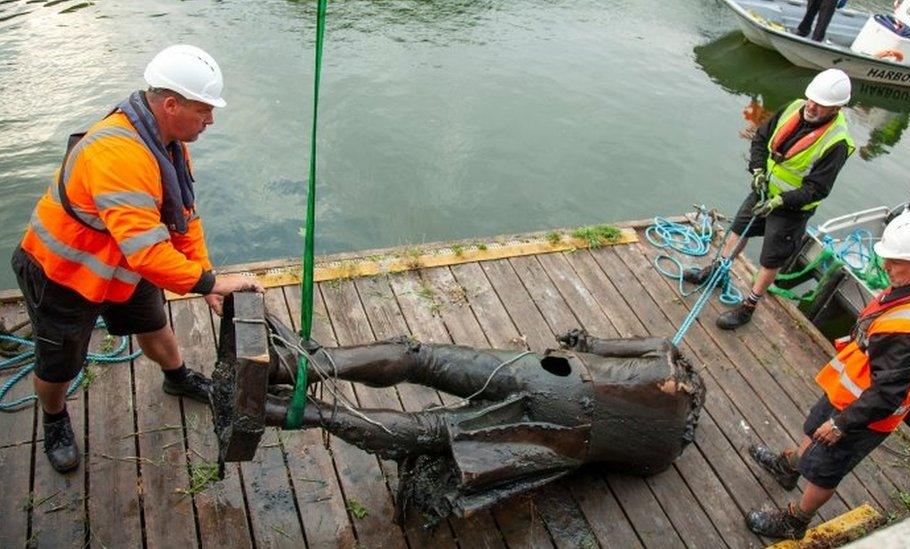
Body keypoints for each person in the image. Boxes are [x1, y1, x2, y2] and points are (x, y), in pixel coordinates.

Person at [11, 44, 262, 474]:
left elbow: (185, 218)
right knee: (60, 363)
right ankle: (54, 419)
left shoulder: (167, 145)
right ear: (170, 104)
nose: (210, 121)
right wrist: (209, 285)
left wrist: (204, 274)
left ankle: (177, 377)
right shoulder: (118, 155)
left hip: (124, 267)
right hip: (64, 273)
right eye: (204, 111)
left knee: (153, 323)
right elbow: (147, 252)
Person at [213, 307, 704, 523]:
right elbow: (612, 468)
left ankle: (291, 365)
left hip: (557, 376)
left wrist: (588, 343)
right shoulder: (660, 457)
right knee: (434, 431)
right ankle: (288, 413)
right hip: (570, 435)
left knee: (420, 357)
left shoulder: (668, 359)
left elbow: (601, 344)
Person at [743, 210, 910, 540]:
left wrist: (843, 424)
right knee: (814, 426)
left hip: (861, 414)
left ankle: (796, 519)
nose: (886, 266)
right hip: (848, 390)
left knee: (825, 469)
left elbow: (887, 394)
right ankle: (790, 467)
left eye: (895, 261)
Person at [685, 68, 855, 330]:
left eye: (820, 105)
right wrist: (756, 170)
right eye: (811, 99)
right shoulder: (792, 108)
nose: (812, 106)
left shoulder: (837, 143)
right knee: (738, 230)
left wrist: (780, 202)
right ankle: (719, 271)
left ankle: (749, 305)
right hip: (763, 189)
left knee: (771, 258)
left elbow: (817, 189)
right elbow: (761, 139)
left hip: (792, 209)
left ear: (837, 107)